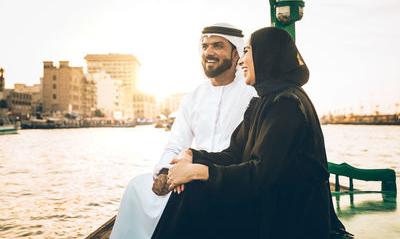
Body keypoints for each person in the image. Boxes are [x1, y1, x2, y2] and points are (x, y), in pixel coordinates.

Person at [152, 27, 351, 239]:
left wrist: (196, 172)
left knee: (196, 192)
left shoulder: (287, 104)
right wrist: (191, 156)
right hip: (271, 201)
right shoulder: (262, 102)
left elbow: (259, 173)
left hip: (293, 215)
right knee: (193, 191)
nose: (241, 61)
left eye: (247, 52)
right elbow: (234, 154)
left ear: (268, 56)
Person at [109, 23, 256, 239]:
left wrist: (195, 172)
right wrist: (164, 173)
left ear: (236, 53)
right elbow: (176, 145)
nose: (209, 52)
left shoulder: (251, 94)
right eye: (205, 46)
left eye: (217, 46)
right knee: (137, 187)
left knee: (194, 195)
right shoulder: (192, 99)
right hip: (190, 172)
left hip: (229, 176)